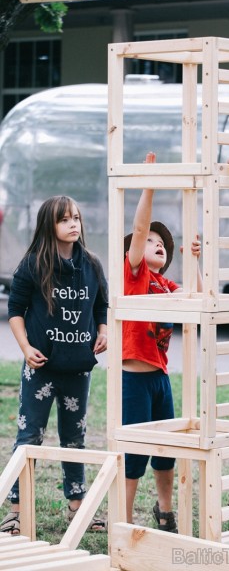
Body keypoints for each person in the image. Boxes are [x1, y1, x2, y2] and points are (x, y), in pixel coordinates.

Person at [0, 195, 108, 536]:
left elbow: (101, 305)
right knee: (29, 437)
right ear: (50, 225)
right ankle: (17, 511)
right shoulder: (32, 264)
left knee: (74, 439)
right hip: (41, 370)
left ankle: (78, 508)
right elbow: (15, 309)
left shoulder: (90, 264)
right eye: (65, 219)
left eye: (76, 217)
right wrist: (26, 347)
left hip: (77, 369)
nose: (73, 224)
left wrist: (103, 331)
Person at [122, 152, 202, 531]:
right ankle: (124, 517)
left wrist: (198, 260)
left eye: (162, 243)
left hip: (160, 378)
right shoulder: (135, 275)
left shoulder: (165, 285)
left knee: (166, 452)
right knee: (134, 452)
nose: (156, 243)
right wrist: (149, 183)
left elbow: (198, 298)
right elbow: (138, 230)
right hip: (133, 378)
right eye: (150, 240)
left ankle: (165, 511)